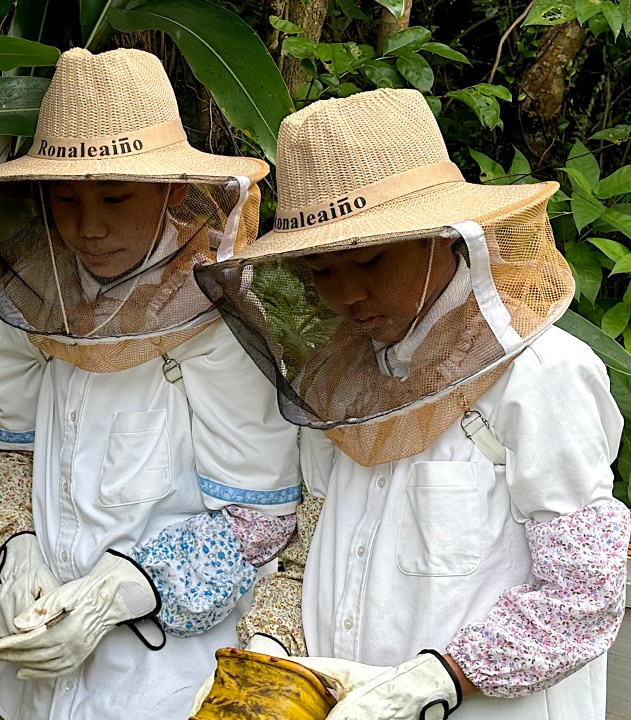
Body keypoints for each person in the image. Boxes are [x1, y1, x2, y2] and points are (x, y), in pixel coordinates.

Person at [194, 88, 630, 719]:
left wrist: (442, 679)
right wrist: (271, 651)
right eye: (320, 270)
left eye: (368, 260)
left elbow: (583, 593)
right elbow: (305, 550)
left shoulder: (542, 374)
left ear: (441, 238)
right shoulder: (333, 381)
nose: (346, 294)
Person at [0, 48, 302, 720]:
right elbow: (15, 450)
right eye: (67, 198)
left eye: (114, 195)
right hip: (34, 666)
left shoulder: (220, 316)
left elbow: (262, 518)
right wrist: (18, 550)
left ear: (172, 189)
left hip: (162, 679)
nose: (89, 226)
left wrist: (123, 587)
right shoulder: (33, 292)